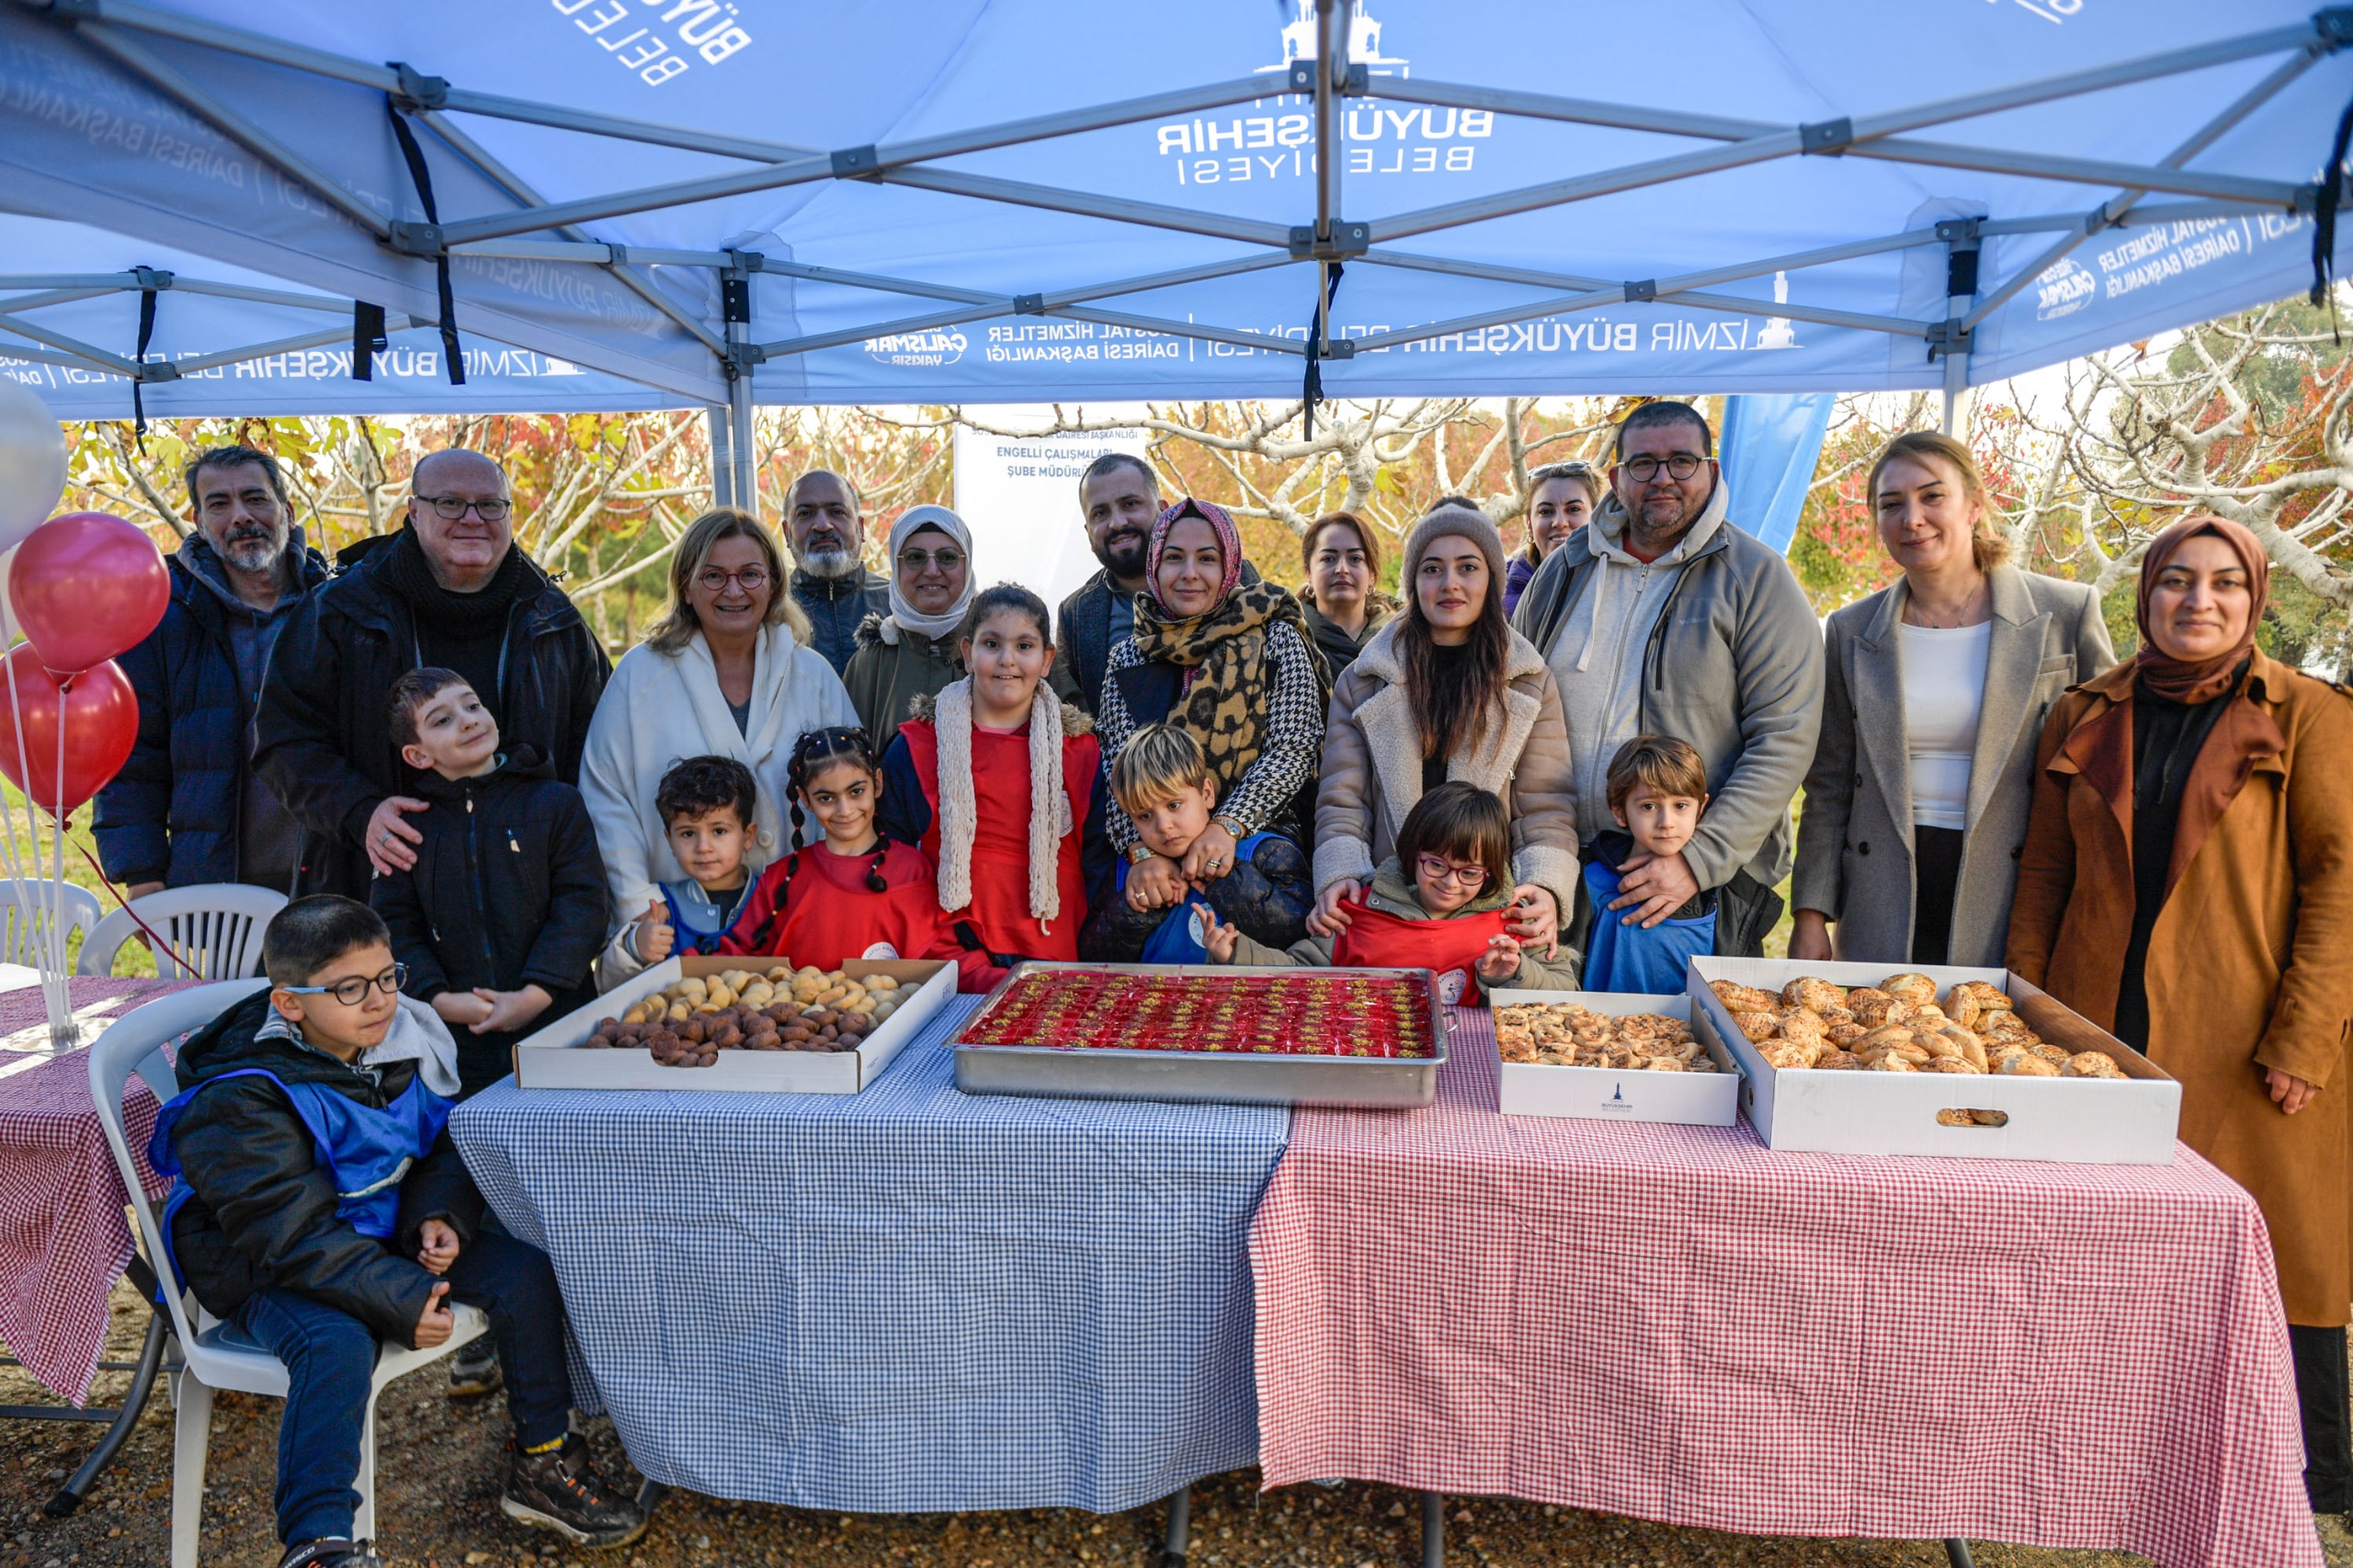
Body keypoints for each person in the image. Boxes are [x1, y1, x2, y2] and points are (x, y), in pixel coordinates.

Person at [2007, 515, 2353, 1516]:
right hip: (2094, 1019)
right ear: (2144, 594)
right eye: (2175, 582)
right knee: (2112, 1238)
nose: (2197, 601)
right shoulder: (2083, 708)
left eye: (2223, 583)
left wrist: (2305, 1033)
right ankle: (2107, 1459)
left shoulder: (2311, 714)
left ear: (2255, 599)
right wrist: (2024, 1003)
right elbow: (2044, 869)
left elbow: (2339, 883)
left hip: (2243, 1023)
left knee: (2273, 1244)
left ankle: (2296, 1475)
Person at [145, 897, 646, 1568]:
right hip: (264, 1263)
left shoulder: (397, 1041)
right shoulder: (238, 1100)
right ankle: (319, 1542)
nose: (380, 1001)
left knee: (522, 1272)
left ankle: (543, 1465)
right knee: (336, 1342)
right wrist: (401, 1296)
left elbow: (440, 1145)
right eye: (350, 988)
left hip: (373, 1232)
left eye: (387, 977)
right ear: (291, 1004)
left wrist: (436, 1217)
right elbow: (289, 1237)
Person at [1512, 400, 1823, 957]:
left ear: (1712, 471)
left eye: (1682, 461)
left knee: (1675, 1043)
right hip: (1562, 868)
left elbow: (1785, 737)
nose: (1662, 478)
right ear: (1615, 478)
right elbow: (1513, 702)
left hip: (1694, 885)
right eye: (1643, 464)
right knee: (1553, 1035)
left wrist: (1697, 861)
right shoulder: (1565, 569)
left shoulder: (1756, 578)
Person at [1791, 432, 2113, 966]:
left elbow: (2104, 774)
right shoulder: (1851, 630)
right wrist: (1810, 915)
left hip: (2016, 887)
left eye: (1932, 496)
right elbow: (1829, 783)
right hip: (1882, 891)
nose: (1911, 518)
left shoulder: (2067, 612)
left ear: (1975, 507)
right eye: (1891, 504)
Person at [256, 449, 609, 900]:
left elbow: (601, 751)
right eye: (450, 503)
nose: (472, 518)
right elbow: (283, 739)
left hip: (524, 894)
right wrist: (360, 811)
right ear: (413, 511)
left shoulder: (552, 618)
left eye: (490, 504)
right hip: (374, 883)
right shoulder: (339, 611)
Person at [1312, 503, 1575, 961]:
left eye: (1468, 567)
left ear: (1491, 578)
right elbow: (1343, 797)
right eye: (1432, 569)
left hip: (1488, 906)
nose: (1450, 583)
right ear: (1413, 582)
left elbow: (1546, 803)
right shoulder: (1364, 679)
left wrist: (1546, 886)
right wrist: (1341, 872)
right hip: (1386, 901)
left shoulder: (1529, 679)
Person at [578, 507, 858, 920]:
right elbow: (606, 802)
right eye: (713, 576)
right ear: (686, 588)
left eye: (749, 574)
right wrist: (641, 908)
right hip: (677, 929)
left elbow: (854, 792)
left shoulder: (814, 675)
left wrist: (837, 899)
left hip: (801, 921)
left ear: (773, 584)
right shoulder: (639, 677)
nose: (733, 591)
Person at [97, 444, 330, 898]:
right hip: (216, 882)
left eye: (255, 498)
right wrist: (142, 872)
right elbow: (131, 751)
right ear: (200, 523)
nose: (240, 516)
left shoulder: (334, 606)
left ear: (287, 510)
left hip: (332, 876)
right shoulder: (162, 617)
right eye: (219, 504)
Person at [369, 670, 608, 1100]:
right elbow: (394, 926)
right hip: (455, 1034)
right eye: (442, 720)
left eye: (473, 705)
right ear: (418, 755)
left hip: (559, 1020)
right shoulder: (407, 829)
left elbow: (583, 905)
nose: (467, 720)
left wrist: (537, 993)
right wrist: (438, 1000)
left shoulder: (556, 803)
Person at [1097, 497, 1328, 909]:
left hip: (1260, 839)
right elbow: (1117, 769)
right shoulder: (1128, 657)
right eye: (1173, 558)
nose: (1189, 574)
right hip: (1156, 846)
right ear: (1154, 566)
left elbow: (1293, 748)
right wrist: (1143, 853)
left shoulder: (1274, 638)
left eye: (1206, 558)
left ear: (1229, 566)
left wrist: (1226, 824)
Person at [879, 585, 1109, 989]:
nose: (1007, 660)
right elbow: (895, 860)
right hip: (948, 956)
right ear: (967, 654)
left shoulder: (1081, 753)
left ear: (1046, 658)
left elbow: (1097, 862)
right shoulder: (917, 746)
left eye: (1024, 645)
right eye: (991, 644)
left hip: (1052, 962)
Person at [1203, 782, 1583, 1004]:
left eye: (1469, 872)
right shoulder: (1359, 910)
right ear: (1411, 854)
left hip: (1476, 1081)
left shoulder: (1513, 921)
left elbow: (1566, 992)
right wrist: (1237, 953)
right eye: (1436, 864)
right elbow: (1301, 973)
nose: (1450, 883)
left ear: (1491, 871)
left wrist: (1516, 972)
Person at [719, 726, 959, 972]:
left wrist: (998, 986)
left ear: (877, 783)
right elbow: (734, 957)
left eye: (856, 792)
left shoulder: (912, 870)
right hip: (797, 1011)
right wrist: (678, 959)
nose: (845, 810)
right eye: (826, 798)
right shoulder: (782, 878)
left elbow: (945, 959)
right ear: (805, 798)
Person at [1078, 722, 1313, 963]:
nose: (1163, 825)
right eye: (1145, 816)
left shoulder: (1262, 850)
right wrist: (1140, 908)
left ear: (1207, 794)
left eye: (1174, 805)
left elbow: (1300, 928)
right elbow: (1092, 954)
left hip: (1244, 996)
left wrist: (1225, 879)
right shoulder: (1128, 874)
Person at [599, 756, 761, 987]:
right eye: (688, 834)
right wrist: (637, 947)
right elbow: (606, 982)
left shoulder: (772, 898)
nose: (703, 847)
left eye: (719, 831)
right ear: (669, 840)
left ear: (748, 836)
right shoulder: (661, 908)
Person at [1579, 737, 1719, 994]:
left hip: (1691, 1031)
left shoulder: (1724, 892)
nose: (1667, 822)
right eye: (1649, 806)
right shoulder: (1586, 881)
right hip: (1597, 1030)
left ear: (1700, 808)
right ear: (1619, 812)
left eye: (1681, 805)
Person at [843, 505, 973, 740]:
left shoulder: (1002, 651)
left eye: (947, 557)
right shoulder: (870, 663)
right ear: (896, 566)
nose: (932, 571)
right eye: (915, 558)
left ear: (968, 564)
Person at [782, 470, 890, 676]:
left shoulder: (898, 607)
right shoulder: (770, 611)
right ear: (787, 533)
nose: (823, 525)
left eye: (837, 512)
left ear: (860, 528)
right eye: (805, 514)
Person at [1296, 511, 1395, 681]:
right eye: (1328, 559)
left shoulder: (1401, 642)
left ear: (1371, 574)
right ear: (1309, 573)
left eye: (1355, 559)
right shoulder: (1288, 640)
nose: (1342, 569)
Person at [1502, 460, 1600, 616]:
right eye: (1545, 511)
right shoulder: (1496, 593)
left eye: (1574, 509)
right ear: (1529, 524)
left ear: (1597, 517)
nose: (1560, 522)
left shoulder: (1618, 583)